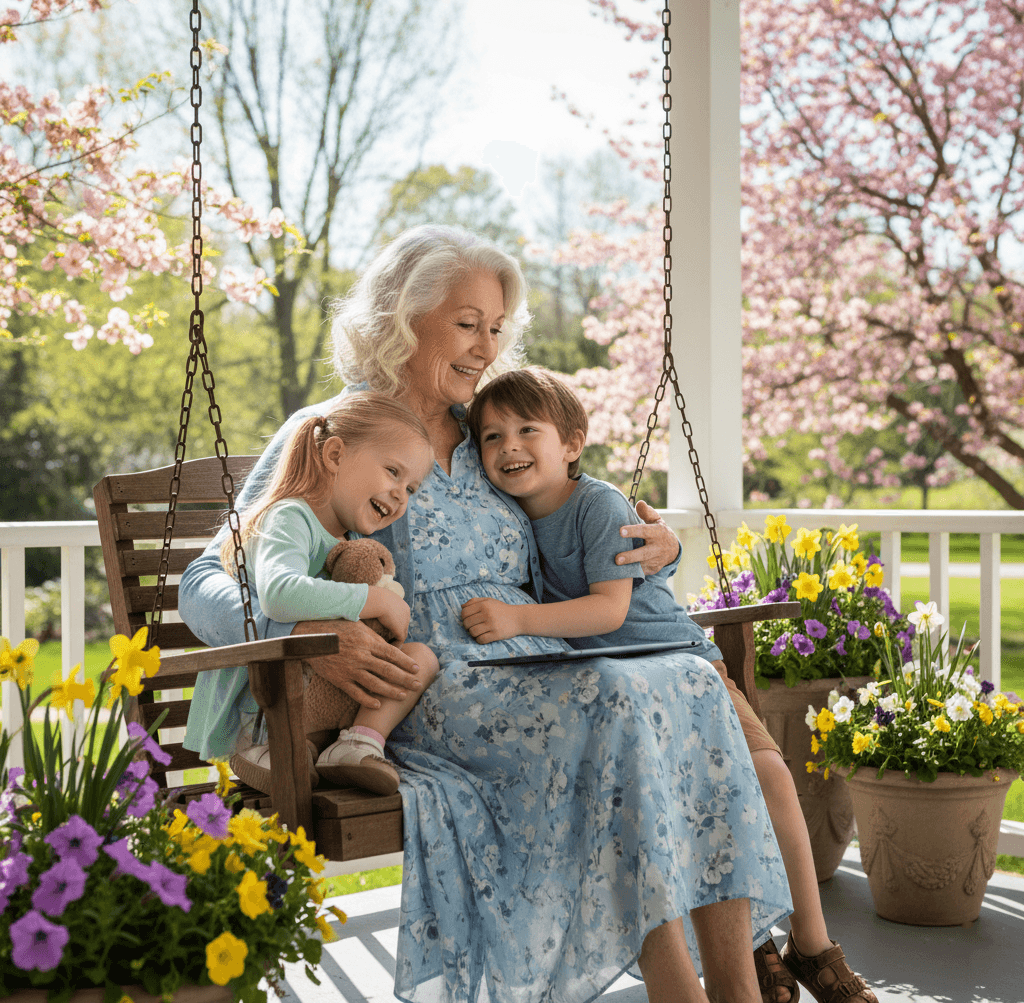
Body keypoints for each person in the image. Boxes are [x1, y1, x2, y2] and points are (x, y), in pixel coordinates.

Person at [179, 224, 792, 1003]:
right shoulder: (338, 432)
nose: (484, 346)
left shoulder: (489, 432)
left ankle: (735, 992)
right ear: (403, 315)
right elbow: (204, 580)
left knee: (689, 687)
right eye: (467, 323)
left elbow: (582, 523)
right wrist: (301, 632)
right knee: (616, 702)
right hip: (434, 687)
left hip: (535, 665)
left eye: (496, 328)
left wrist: (659, 550)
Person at [463, 366, 879, 1003]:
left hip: (685, 668)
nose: (509, 447)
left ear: (572, 442)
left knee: (766, 777)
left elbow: (608, 611)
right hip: (627, 694)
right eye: (491, 438)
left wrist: (517, 619)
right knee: (679, 809)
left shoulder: (595, 505)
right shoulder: (508, 520)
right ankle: (753, 944)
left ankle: (812, 942)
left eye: (527, 430)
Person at [213, 392, 439, 796]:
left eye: (412, 488)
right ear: (335, 454)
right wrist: (376, 601)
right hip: (266, 697)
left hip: (325, 692)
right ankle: (274, 749)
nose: (401, 495)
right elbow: (279, 594)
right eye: (392, 472)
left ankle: (357, 743)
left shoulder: (344, 540)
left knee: (420, 659)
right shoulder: (289, 517)